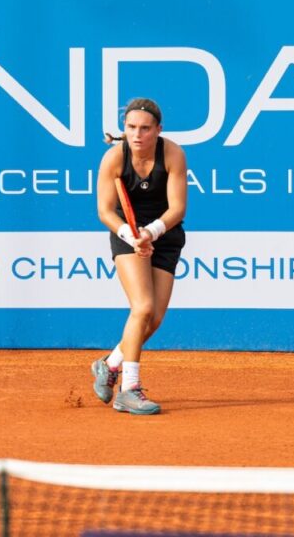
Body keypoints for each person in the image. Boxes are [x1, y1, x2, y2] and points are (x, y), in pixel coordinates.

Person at [91, 98, 187, 415]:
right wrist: (131, 235)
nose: (137, 134)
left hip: (164, 234)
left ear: (158, 130)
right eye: (131, 127)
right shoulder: (113, 158)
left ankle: (110, 363)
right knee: (142, 307)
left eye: (145, 128)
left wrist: (152, 232)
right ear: (125, 128)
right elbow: (105, 211)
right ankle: (128, 389)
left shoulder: (172, 154)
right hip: (126, 235)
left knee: (154, 318)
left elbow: (177, 208)